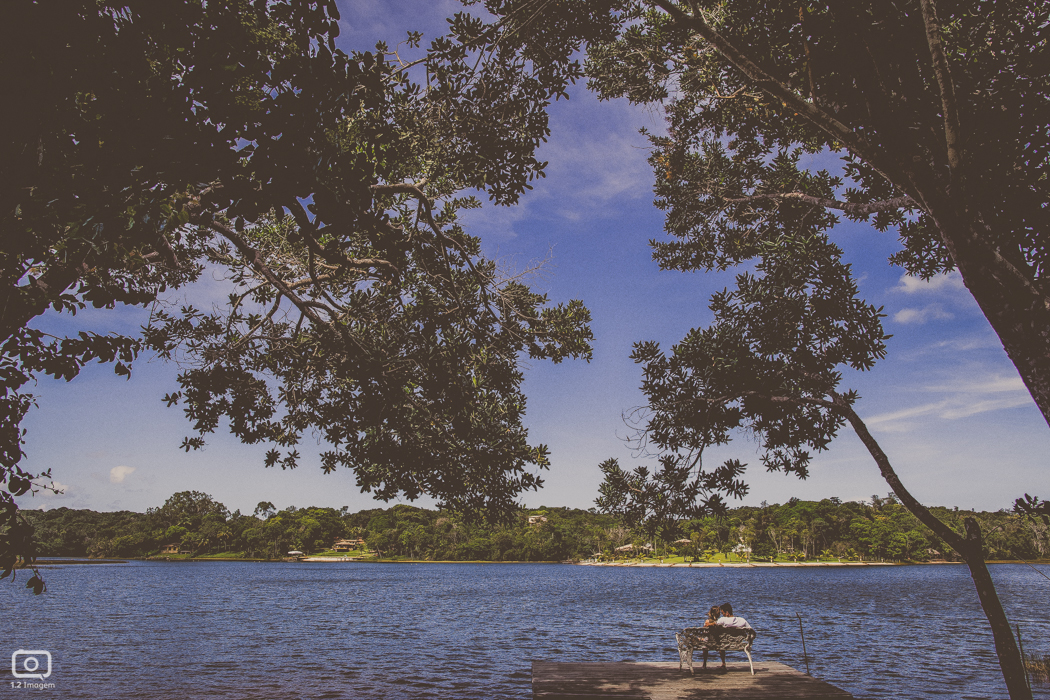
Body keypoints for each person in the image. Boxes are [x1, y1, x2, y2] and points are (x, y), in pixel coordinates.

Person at [700, 605, 725, 669]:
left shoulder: (707, 622)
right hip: (718, 642)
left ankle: (704, 664)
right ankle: (723, 663)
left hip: (708, 643)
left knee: (705, 642)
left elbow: (704, 632)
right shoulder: (720, 622)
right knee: (721, 644)